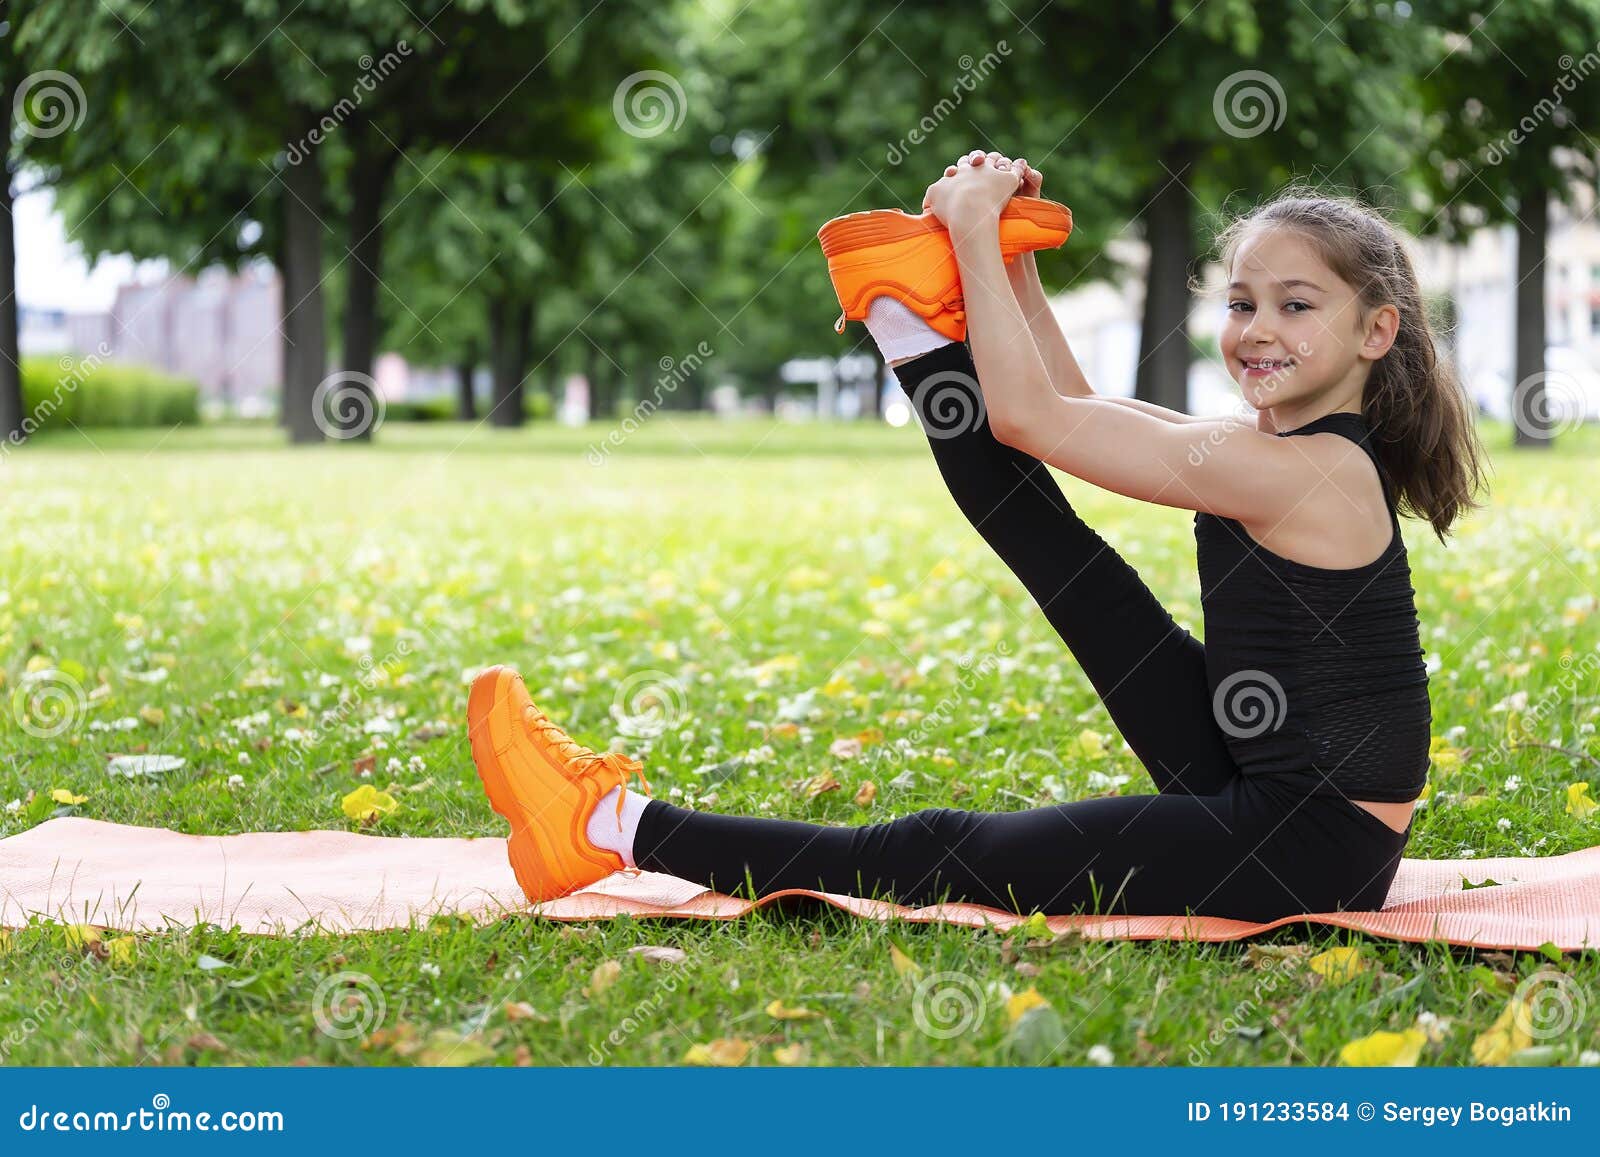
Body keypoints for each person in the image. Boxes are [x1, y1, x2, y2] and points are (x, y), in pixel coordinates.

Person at [466, 149, 1486, 922]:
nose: (1255, 328)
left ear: (1374, 330)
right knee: (1074, 568)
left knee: (945, 846)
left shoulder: (1304, 469)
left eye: (1295, 305)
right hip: (1255, 766)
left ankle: (606, 827)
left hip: (1303, 843)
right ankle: (901, 317)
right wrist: (1014, 268)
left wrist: (964, 234)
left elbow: (1030, 418)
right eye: (1242, 302)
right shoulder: (1269, 448)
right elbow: (1072, 400)